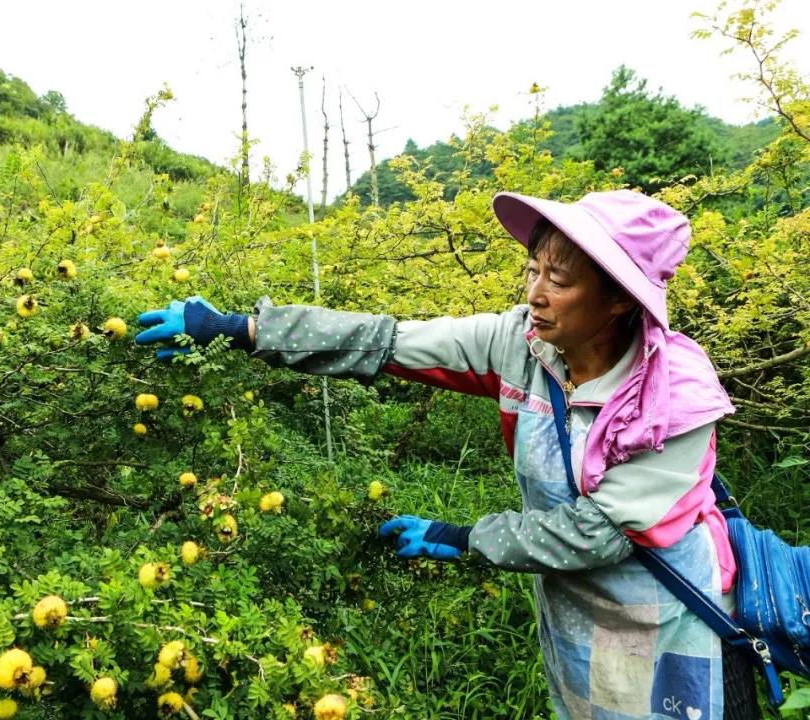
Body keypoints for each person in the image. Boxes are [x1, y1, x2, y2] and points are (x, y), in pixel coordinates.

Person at [135, 189, 760, 720]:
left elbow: (597, 535)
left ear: (621, 298)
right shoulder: (524, 344)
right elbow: (388, 341)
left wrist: (464, 538)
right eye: (533, 270)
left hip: (672, 621)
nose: (536, 293)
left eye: (560, 280)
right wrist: (245, 330)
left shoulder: (673, 395)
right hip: (576, 615)